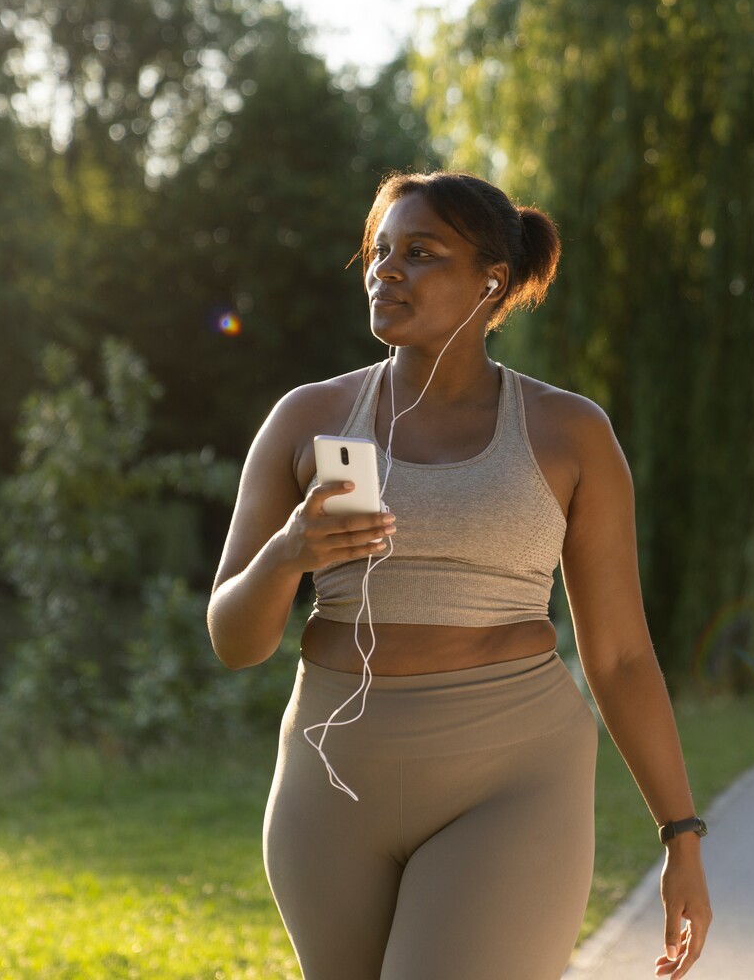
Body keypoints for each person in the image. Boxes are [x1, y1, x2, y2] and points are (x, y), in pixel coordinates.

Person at [208, 171, 711, 980]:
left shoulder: (569, 432)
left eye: (420, 253)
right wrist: (288, 554)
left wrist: (680, 837)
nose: (386, 271)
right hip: (330, 783)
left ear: (492, 281)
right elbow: (234, 640)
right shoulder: (305, 419)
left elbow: (618, 657)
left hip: (510, 780)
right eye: (379, 252)